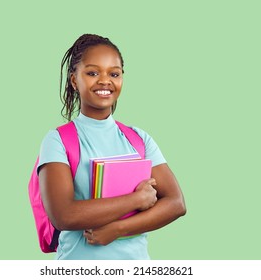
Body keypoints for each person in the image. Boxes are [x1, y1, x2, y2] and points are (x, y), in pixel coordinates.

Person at [37, 34, 186, 260]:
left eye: (114, 74)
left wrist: (117, 230)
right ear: (74, 80)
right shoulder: (57, 140)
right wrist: (137, 200)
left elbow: (176, 203)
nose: (105, 81)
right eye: (93, 73)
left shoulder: (140, 139)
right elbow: (63, 215)